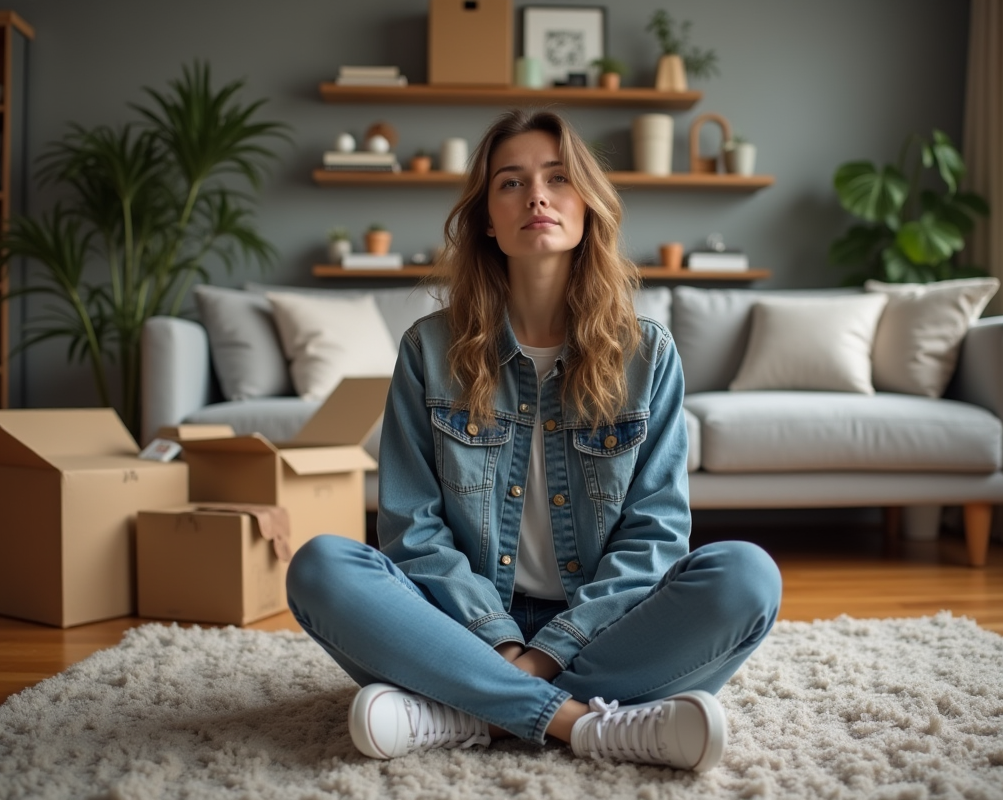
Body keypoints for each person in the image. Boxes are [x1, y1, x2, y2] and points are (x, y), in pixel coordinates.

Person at [286, 109, 782, 772]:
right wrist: (495, 640)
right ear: (487, 219)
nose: (538, 196)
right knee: (320, 568)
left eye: (558, 179)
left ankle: (459, 714)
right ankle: (587, 723)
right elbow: (412, 531)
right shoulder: (428, 351)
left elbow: (656, 534)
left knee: (749, 578)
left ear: (588, 206)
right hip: (461, 627)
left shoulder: (648, 355)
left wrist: (550, 650)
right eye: (511, 183)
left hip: (600, 628)